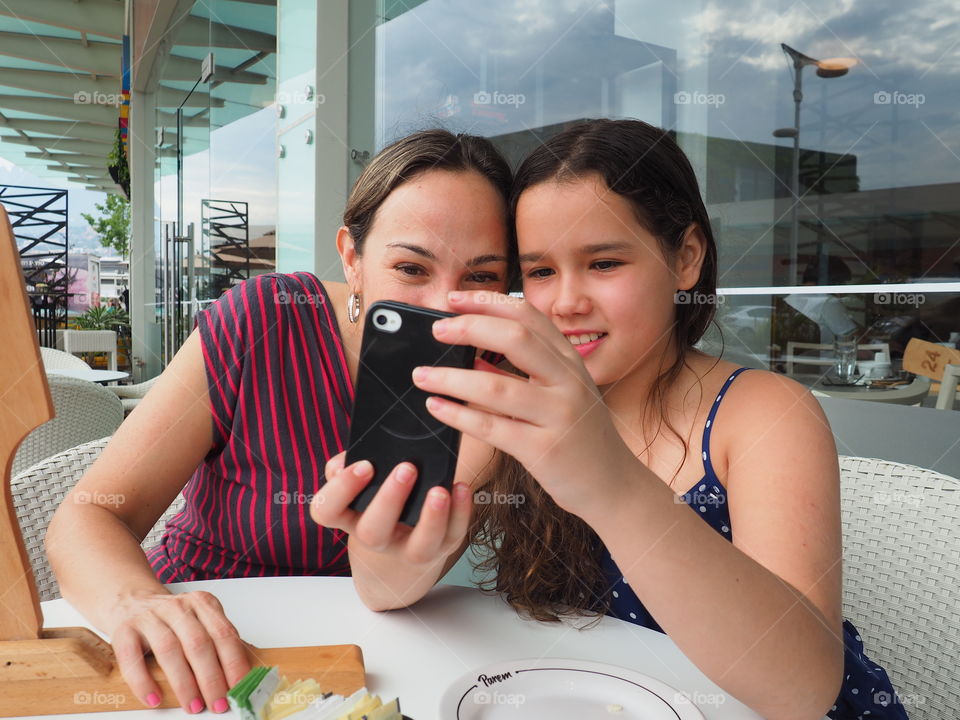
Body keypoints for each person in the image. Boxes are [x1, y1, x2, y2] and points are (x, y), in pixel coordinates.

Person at [313, 119, 907, 720]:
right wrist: (390, 542)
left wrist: (611, 485)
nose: (567, 301)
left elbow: (802, 689)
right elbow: (381, 590)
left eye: (603, 263)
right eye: (540, 272)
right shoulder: (512, 401)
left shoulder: (762, 414)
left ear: (686, 259)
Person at [46, 129, 514, 714]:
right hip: (196, 643)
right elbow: (90, 513)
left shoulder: (494, 382)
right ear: (352, 256)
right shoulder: (262, 320)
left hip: (357, 660)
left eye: (481, 277)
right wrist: (139, 603)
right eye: (411, 268)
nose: (443, 308)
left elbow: (391, 585)